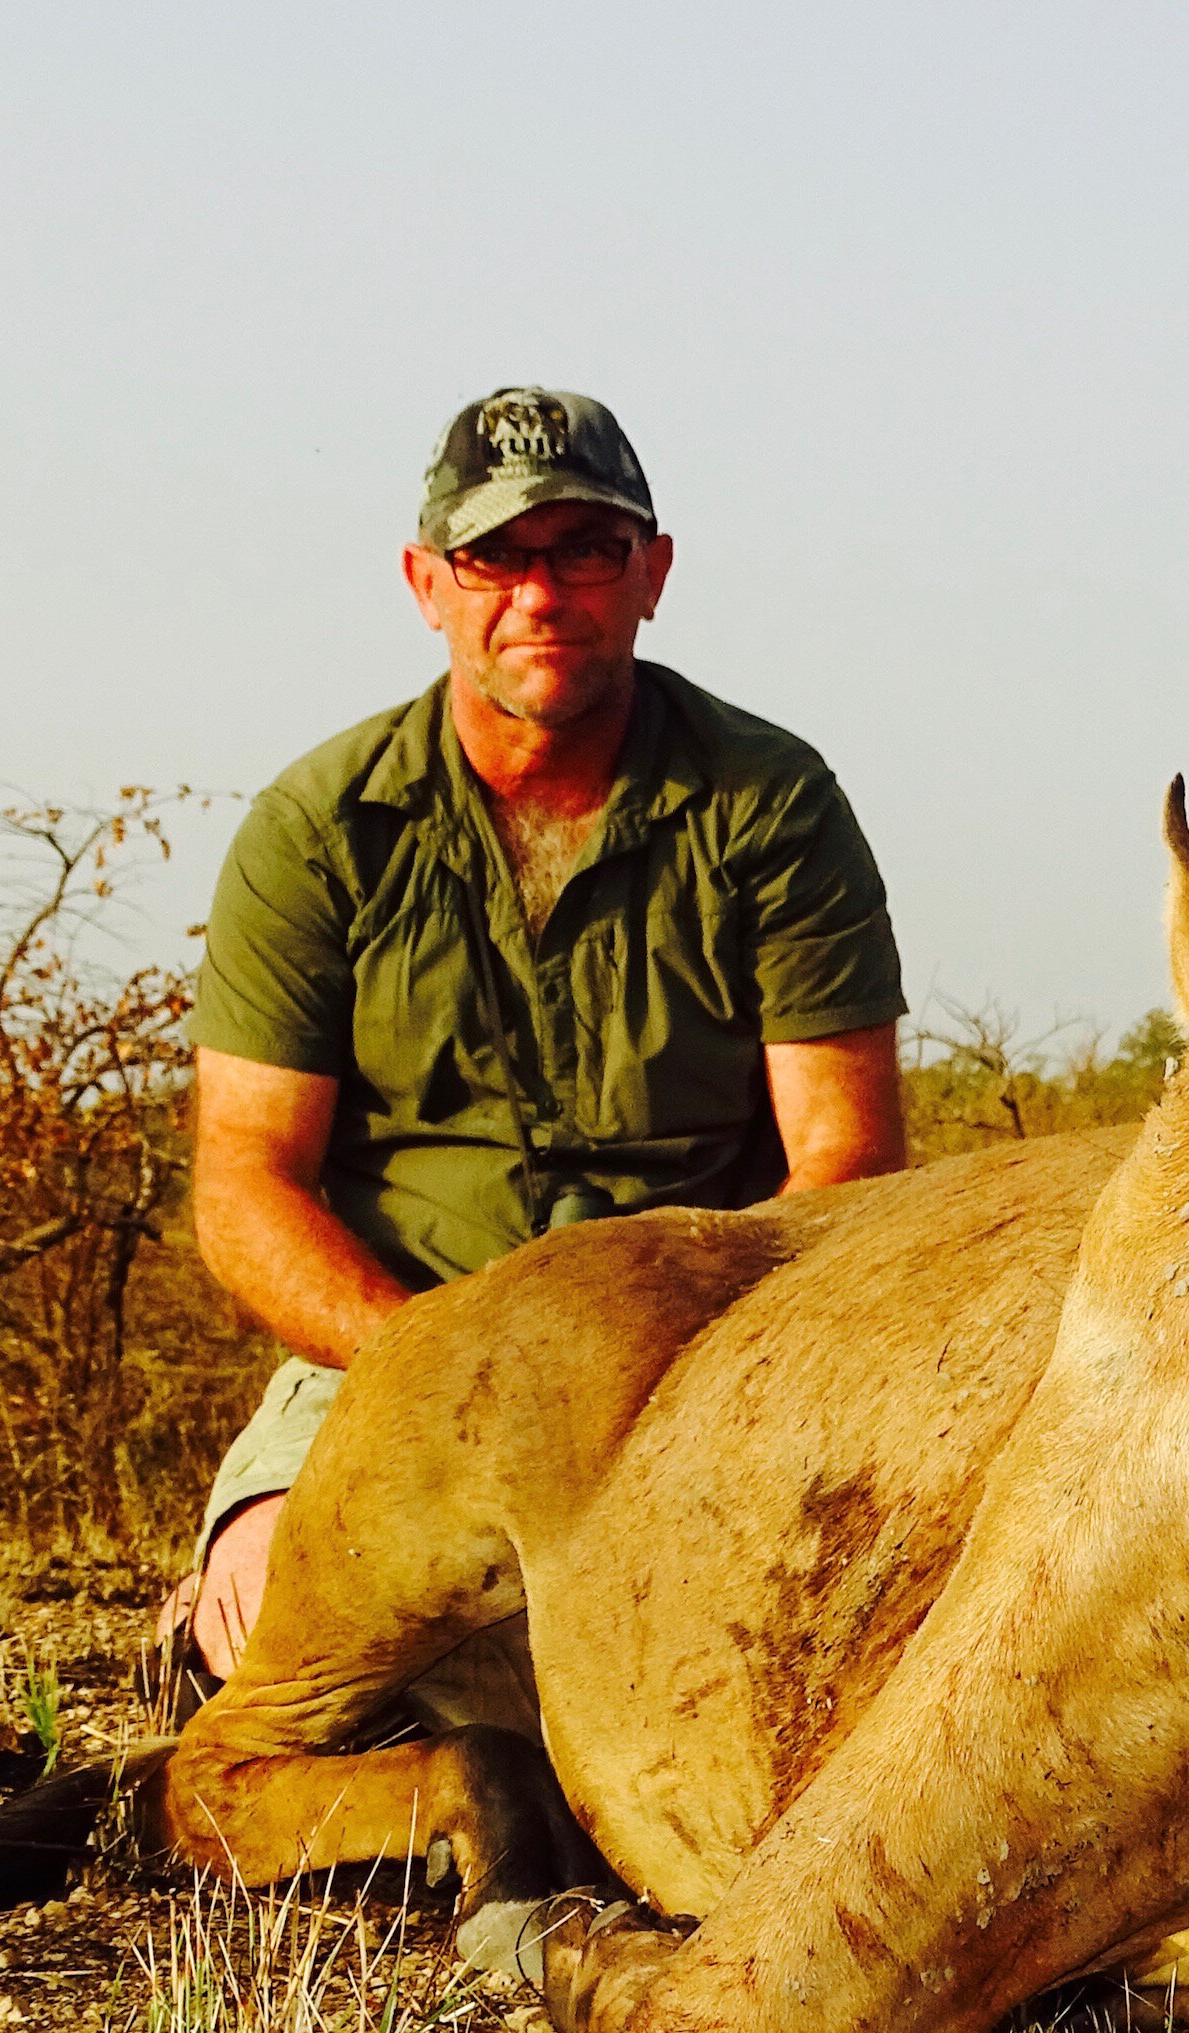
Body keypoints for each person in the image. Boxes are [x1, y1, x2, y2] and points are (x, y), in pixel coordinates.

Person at [161, 386, 909, 1687]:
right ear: (426, 582)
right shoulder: (318, 826)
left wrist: (684, 1376)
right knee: (282, 1622)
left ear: (651, 573)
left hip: (696, 1363)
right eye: (495, 556)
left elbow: (845, 1159)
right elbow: (245, 1189)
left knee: (850, 1630)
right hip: (389, 1352)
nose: (540, 593)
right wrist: (442, 1361)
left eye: (585, 550)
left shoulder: (771, 805)